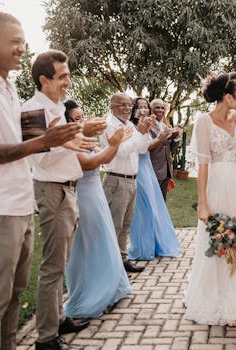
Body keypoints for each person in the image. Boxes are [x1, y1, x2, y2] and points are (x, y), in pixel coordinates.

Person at [0, 11, 81, 350]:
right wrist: (46, 141)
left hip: (22, 202)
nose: (21, 49)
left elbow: (27, 149)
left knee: (13, 295)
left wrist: (57, 139)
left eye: (23, 43)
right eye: (15, 42)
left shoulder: (8, 89)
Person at [24, 49, 103, 349]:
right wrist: (78, 134)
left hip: (69, 189)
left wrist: (80, 135)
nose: (68, 81)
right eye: (62, 77)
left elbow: (70, 143)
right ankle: (46, 338)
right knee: (52, 266)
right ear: (43, 79)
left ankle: (59, 318)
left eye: (68, 75)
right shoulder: (33, 108)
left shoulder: (57, 108)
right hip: (52, 191)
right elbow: (37, 154)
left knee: (63, 261)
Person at [184, 72, 236, 327]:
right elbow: (203, 164)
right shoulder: (203, 122)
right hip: (218, 186)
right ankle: (218, 301)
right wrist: (203, 203)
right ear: (227, 97)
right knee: (221, 243)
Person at [63, 100, 132, 319]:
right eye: (76, 119)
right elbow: (89, 164)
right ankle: (91, 293)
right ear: (66, 122)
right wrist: (113, 144)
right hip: (83, 197)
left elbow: (104, 159)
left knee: (104, 240)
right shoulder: (69, 142)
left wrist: (113, 144)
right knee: (89, 245)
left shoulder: (86, 140)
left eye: (82, 117)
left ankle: (111, 287)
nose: (82, 122)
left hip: (96, 194)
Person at [101, 92, 155, 273]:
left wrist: (144, 132)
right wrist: (139, 133)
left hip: (132, 180)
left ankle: (122, 260)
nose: (126, 109)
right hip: (116, 179)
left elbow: (141, 148)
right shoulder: (109, 125)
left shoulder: (130, 125)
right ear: (112, 106)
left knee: (126, 224)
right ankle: (111, 265)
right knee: (115, 225)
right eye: (122, 105)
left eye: (128, 105)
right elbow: (121, 151)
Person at [128, 97, 181, 260]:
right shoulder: (134, 127)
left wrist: (175, 137)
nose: (143, 110)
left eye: (145, 107)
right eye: (140, 107)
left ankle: (157, 242)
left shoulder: (154, 124)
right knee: (144, 210)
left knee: (156, 208)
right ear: (134, 109)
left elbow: (167, 146)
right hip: (142, 167)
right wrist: (161, 138)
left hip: (153, 169)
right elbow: (145, 148)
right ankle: (144, 246)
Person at [149, 99, 181, 199]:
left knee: (162, 202)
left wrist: (176, 137)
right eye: (157, 107)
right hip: (153, 169)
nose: (160, 110)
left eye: (162, 108)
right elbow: (147, 147)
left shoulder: (165, 126)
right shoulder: (147, 125)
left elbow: (170, 148)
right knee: (152, 201)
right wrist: (163, 137)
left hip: (166, 171)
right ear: (151, 110)